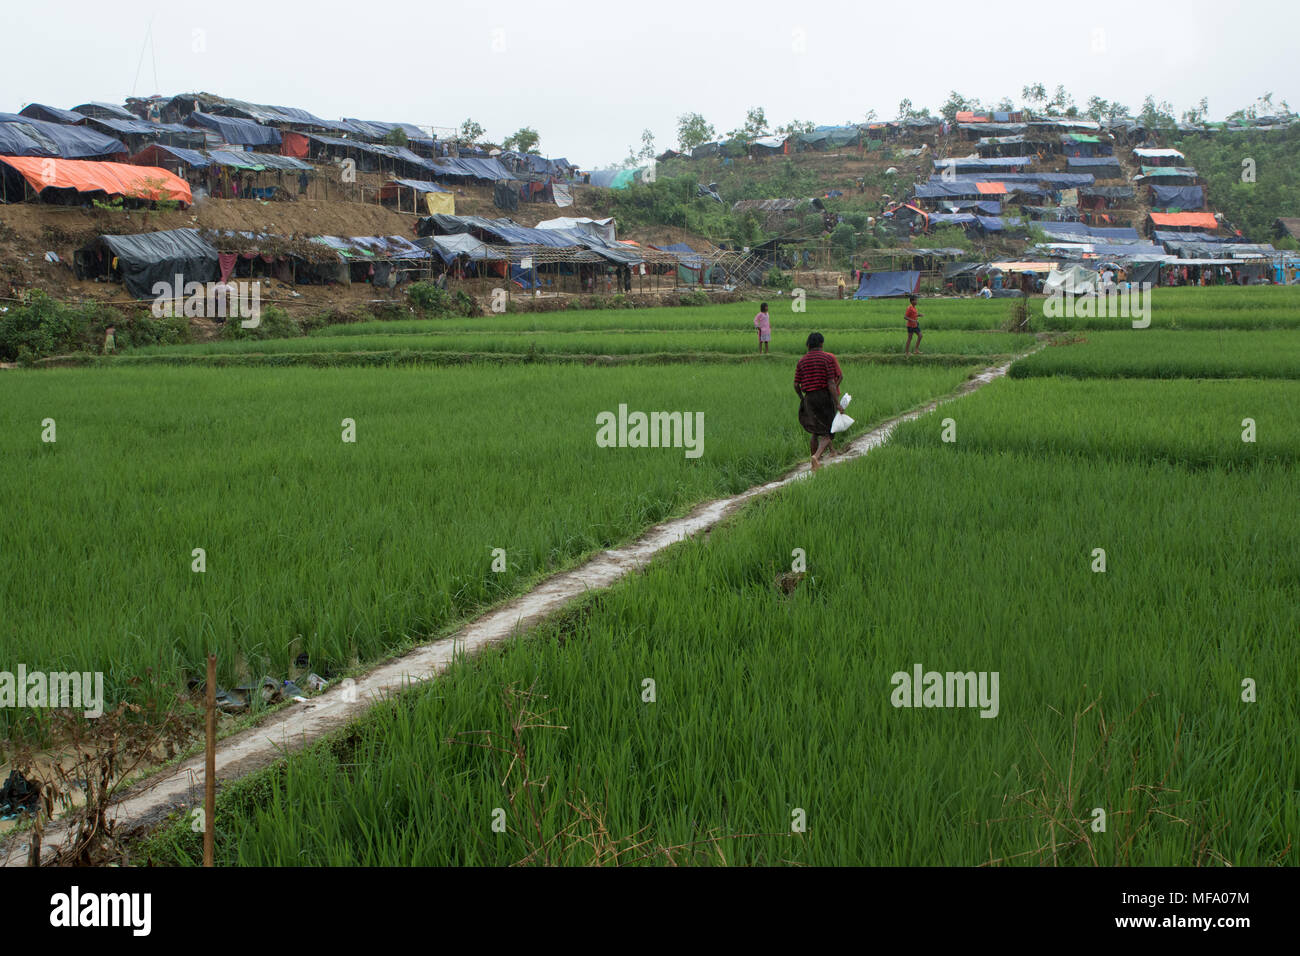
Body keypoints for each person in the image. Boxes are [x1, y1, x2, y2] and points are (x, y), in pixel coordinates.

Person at [794, 333, 843, 471]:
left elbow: (796, 385)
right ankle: (816, 456)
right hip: (824, 397)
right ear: (821, 344)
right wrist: (837, 402)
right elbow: (831, 383)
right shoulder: (826, 358)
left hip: (809, 398)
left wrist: (802, 399)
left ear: (808, 345)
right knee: (828, 432)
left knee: (815, 432)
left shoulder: (801, 361)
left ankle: (813, 465)